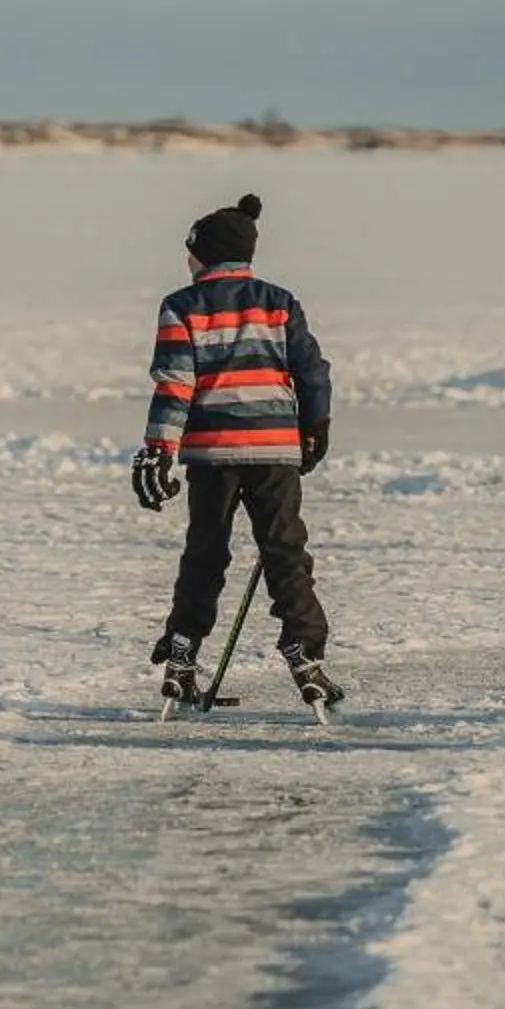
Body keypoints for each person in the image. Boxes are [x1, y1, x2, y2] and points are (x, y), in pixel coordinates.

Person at [129, 194, 341, 715]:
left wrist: (159, 447)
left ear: (204, 254)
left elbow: (175, 386)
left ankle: (181, 654)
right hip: (274, 451)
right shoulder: (279, 301)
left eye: (190, 250)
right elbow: (312, 372)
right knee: (285, 551)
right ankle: (305, 654)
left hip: (211, 456)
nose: (186, 259)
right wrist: (313, 431)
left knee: (205, 554)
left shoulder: (181, 306)